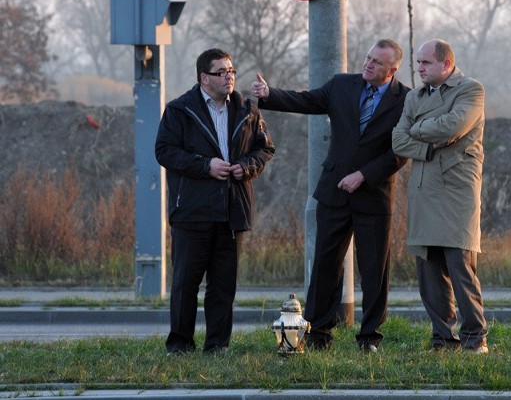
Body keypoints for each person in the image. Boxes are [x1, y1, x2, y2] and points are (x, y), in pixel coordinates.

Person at [251, 39, 410, 353]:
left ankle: (369, 338)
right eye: (367, 57)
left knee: (374, 269)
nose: (368, 64)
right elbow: (307, 101)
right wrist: (270, 95)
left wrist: (364, 175)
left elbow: (401, 150)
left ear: (392, 70)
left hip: (374, 196)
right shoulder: (342, 85)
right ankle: (318, 333)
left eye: (377, 62)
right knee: (326, 264)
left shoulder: (406, 100)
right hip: (334, 190)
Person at [155, 48, 275, 355]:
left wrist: (246, 167)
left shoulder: (248, 108)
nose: (229, 77)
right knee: (186, 283)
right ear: (204, 78)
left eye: (232, 71)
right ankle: (180, 345)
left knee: (223, 285)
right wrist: (205, 164)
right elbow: (165, 151)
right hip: (192, 211)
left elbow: (265, 149)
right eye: (222, 72)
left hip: (232, 210)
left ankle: (218, 345)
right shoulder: (180, 110)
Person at [391, 39, 489, 354]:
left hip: (456, 191)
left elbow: (453, 126)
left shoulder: (470, 90)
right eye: (418, 63)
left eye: (425, 63)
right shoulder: (414, 97)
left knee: (460, 266)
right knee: (429, 271)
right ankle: (443, 339)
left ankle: (475, 338)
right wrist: (426, 144)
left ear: (445, 64)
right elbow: (396, 140)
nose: (419, 68)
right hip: (422, 190)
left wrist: (416, 131)